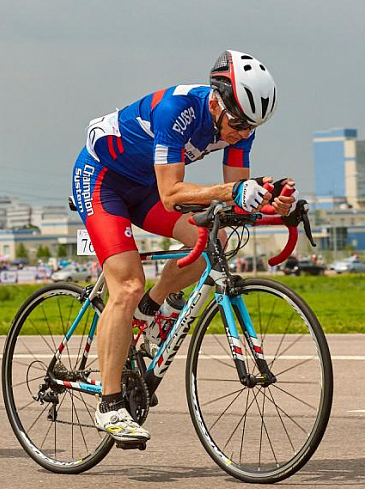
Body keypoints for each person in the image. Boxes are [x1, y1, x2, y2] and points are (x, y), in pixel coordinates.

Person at [71, 50, 295, 445]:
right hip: (103, 180)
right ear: (217, 100)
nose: (242, 134)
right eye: (239, 124)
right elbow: (173, 193)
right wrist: (235, 191)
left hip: (148, 188)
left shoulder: (241, 126)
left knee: (216, 241)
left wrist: (267, 201)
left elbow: (234, 199)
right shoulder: (178, 109)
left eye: (252, 128)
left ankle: (152, 309)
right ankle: (109, 404)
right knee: (126, 284)